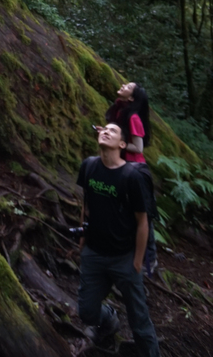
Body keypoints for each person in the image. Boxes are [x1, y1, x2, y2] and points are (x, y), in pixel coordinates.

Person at [77, 121, 160, 356]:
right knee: (86, 312)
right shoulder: (89, 166)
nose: (105, 131)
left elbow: (143, 221)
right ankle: (109, 320)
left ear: (123, 144)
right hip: (94, 253)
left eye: (112, 131)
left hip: (124, 257)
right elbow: (86, 203)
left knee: (139, 322)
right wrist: (83, 235)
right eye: (103, 129)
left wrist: (138, 261)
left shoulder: (131, 176)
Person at [103, 80, 158, 274]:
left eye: (128, 87)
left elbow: (138, 147)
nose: (123, 85)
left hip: (135, 169)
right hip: (121, 165)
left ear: (132, 97)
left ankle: (148, 260)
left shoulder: (133, 117)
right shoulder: (118, 110)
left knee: (142, 213)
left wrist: (120, 144)